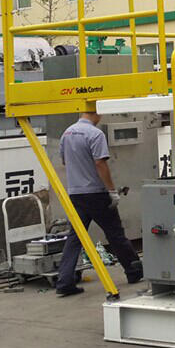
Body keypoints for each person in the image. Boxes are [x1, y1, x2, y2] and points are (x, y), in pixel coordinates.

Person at [55, 111, 142, 296]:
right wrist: (112, 191)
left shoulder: (67, 133)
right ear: (97, 113)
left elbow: (64, 161)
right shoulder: (95, 134)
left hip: (75, 193)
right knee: (115, 232)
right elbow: (100, 163)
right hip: (96, 193)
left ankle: (64, 280)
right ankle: (134, 270)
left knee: (75, 236)